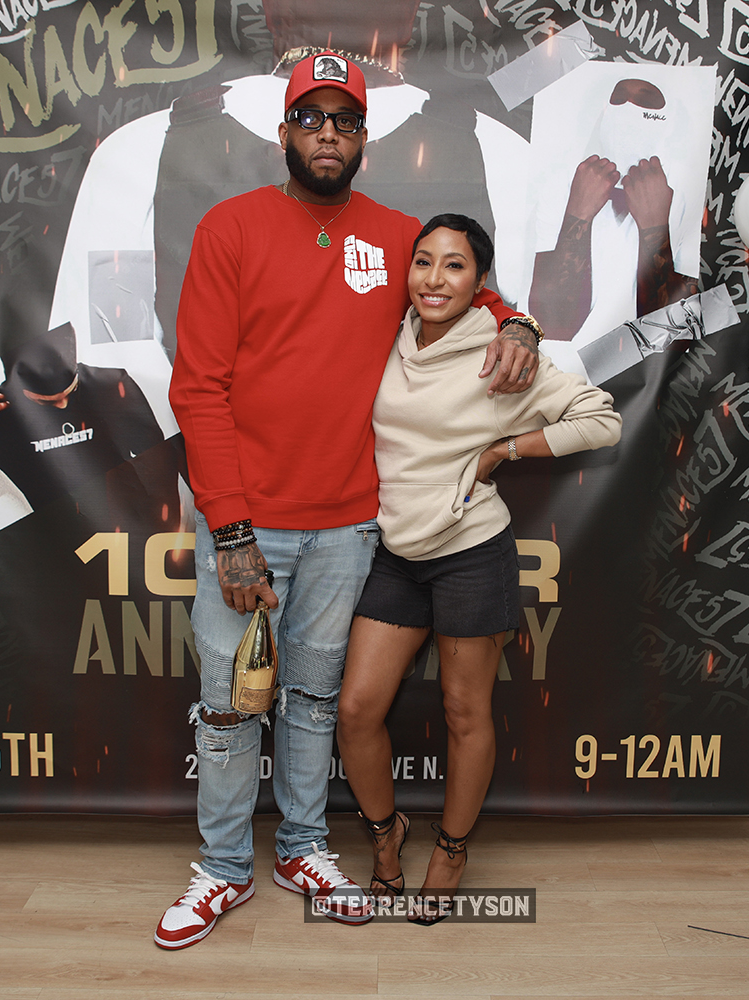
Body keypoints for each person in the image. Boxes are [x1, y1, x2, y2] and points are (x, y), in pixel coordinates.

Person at [155, 52, 542, 951]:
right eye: (311, 118)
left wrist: (516, 320)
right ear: (283, 132)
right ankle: (222, 867)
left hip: (349, 524)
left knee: (315, 702)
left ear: (365, 138)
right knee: (229, 705)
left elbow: (469, 287)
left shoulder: (398, 235)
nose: (327, 134)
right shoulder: (231, 227)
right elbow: (198, 388)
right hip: (247, 522)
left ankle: (301, 849)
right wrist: (231, 528)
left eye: (344, 121)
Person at [336, 214, 622, 923]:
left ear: (479, 281)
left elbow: (601, 419)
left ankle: (452, 850)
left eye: (455, 265)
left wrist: (505, 450)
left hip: (469, 551)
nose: (434, 279)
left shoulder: (499, 354)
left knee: (465, 713)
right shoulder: (389, 333)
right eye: (423, 262)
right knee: (356, 711)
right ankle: (386, 833)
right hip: (396, 552)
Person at [0, 321, 166, 518]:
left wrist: (160, 534)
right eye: (47, 401)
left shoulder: (110, 386)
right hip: (56, 547)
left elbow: (161, 466)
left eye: (68, 394)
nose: (62, 404)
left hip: (125, 534)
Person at [530, 78, 701, 343]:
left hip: (649, 365)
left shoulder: (690, 191)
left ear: (670, 120)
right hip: (566, 360)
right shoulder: (561, 184)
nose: (628, 109)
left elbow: (673, 333)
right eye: (618, 98)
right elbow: (551, 324)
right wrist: (578, 213)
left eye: (646, 101)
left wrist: (655, 227)